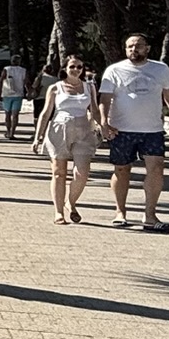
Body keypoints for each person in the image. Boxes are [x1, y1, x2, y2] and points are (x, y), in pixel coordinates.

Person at [98, 33, 169, 231]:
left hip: (152, 129)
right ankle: (120, 212)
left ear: (147, 48)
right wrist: (103, 122)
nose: (133, 50)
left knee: (156, 168)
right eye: (129, 46)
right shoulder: (114, 70)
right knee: (121, 169)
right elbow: (104, 99)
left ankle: (150, 215)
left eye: (138, 46)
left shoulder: (160, 69)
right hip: (122, 129)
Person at [30, 53, 102, 223]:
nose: (76, 70)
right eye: (72, 66)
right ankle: (59, 212)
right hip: (59, 129)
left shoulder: (88, 87)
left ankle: (71, 201)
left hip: (83, 131)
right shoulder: (56, 88)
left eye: (79, 67)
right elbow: (46, 113)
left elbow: (95, 110)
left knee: (82, 173)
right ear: (64, 69)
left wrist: (103, 128)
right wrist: (37, 137)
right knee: (58, 173)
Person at [0, 54, 32, 139]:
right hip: (18, 95)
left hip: (7, 94)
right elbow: (27, 83)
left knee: (7, 114)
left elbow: (0, 81)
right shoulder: (23, 70)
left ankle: (8, 131)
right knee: (15, 115)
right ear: (19, 61)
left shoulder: (6, 69)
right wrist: (29, 93)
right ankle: (12, 133)